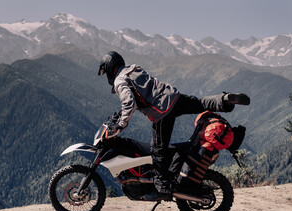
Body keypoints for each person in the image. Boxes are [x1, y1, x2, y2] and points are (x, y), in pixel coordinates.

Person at [98, 51, 250, 200]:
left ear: (110, 67)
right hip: (173, 96)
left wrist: (120, 125)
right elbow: (143, 91)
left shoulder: (119, 81)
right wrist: (120, 115)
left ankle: (162, 186)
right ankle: (223, 100)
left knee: (158, 151)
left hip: (162, 112)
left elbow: (129, 103)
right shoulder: (134, 68)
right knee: (200, 103)